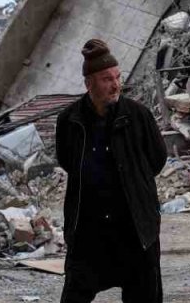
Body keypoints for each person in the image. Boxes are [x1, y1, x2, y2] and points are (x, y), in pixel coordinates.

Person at [55, 39, 167, 302]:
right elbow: (67, 161)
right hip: (89, 228)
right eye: (107, 79)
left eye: (118, 77)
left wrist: (132, 181)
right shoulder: (70, 121)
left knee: (143, 295)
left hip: (135, 227)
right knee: (75, 293)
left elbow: (157, 159)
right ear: (89, 84)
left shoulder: (138, 116)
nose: (116, 85)